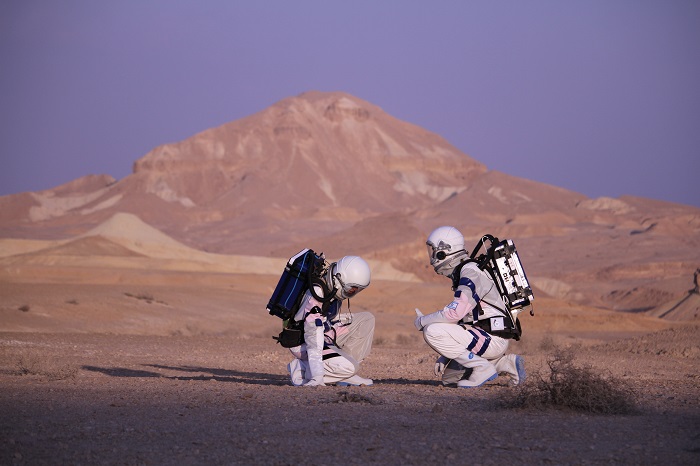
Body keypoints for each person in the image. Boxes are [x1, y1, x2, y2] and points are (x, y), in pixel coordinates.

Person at [414, 226, 526, 388]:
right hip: (485, 336)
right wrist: (446, 355)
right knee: (451, 380)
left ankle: (482, 367)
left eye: (433, 251)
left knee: (432, 331)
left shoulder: (470, 273)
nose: (432, 257)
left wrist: (423, 321)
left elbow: (454, 313)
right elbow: (465, 318)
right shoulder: (467, 270)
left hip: (491, 339)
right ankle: (504, 363)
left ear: (444, 251)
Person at [287, 255, 375, 386]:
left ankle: (345, 375)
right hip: (304, 343)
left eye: (356, 290)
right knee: (350, 367)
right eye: (351, 288)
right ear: (340, 278)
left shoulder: (331, 289)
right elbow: (312, 334)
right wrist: (317, 375)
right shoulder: (317, 293)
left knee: (366, 320)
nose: (352, 292)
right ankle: (303, 369)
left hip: (324, 334)